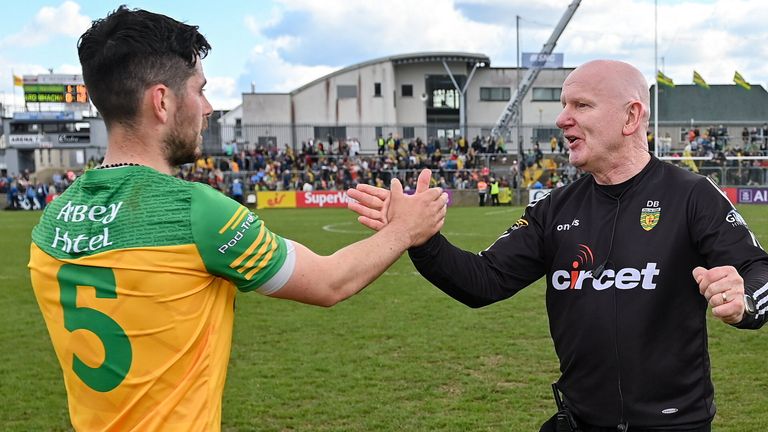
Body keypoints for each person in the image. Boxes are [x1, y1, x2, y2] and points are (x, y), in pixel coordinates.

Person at [27, 7, 447, 432]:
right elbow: (329, 282)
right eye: (200, 89)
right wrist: (406, 229)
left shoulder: (52, 221)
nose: (208, 107)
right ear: (162, 100)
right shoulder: (197, 212)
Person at [347, 59, 768, 431]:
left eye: (581, 105)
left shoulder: (691, 194)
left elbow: (758, 269)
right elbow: (484, 281)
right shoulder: (553, 208)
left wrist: (745, 300)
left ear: (631, 117)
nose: (562, 119)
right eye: (564, 105)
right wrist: (422, 240)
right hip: (581, 420)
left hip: (677, 423)